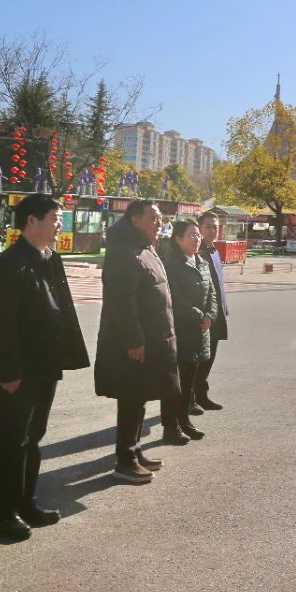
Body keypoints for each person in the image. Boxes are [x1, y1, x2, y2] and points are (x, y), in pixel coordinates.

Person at [0, 194, 90, 540]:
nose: (59, 224)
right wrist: (7, 372)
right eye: (54, 218)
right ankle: (3, 514)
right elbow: (2, 326)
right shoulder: (9, 265)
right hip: (18, 372)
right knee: (12, 440)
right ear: (31, 221)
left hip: (45, 366)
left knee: (33, 438)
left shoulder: (48, 259)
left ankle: (25, 503)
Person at [94, 199, 181, 484]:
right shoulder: (123, 252)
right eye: (153, 217)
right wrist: (133, 340)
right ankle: (125, 461)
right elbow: (122, 302)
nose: (159, 222)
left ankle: (135, 450)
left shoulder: (144, 248)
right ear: (134, 219)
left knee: (139, 396)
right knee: (131, 398)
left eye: (160, 217)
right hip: (135, 343)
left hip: (151, 338)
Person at [161, 218, 216, 444]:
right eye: (191, 235)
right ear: (178, 239)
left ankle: (184, 422)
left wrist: (210, 315)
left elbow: (212, 293)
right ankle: (170, 427)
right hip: (180, 330)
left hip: (200, 331)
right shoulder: (171, 264)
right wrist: (198, 316)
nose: (196, 238)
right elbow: (174, 297)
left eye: (197, 234)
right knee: (174, 383)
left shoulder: (202, 262)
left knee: (188, 381)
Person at [194, 211, 230, 412]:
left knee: (209, 358)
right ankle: (189, 398)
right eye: (208, 226)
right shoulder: (196, 252)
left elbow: (218, 284)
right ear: (199, 228)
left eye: (215, 227)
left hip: (217, 313)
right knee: (199, 360)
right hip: (203, 315)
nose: (212, 230)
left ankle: (201, 395)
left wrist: (223, 309)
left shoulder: (214, 252)